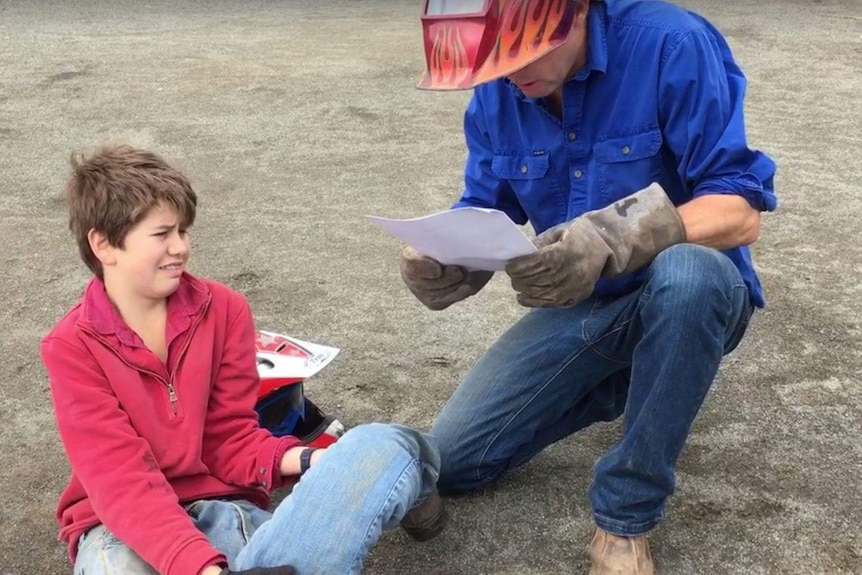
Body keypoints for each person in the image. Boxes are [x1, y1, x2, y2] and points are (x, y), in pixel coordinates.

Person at [400, 1, 777, 573]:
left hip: (692, 293)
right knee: (452, 463)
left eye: (522, 53)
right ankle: (638, 377)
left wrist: (617, 235)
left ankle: (626, 516)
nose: (507, 75)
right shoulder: (499, 88)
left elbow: (740, 210)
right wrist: (448, 260)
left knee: (690, 276)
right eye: (493, 63)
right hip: (588, 307)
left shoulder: (670, 44)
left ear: (576, 11)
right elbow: (484, 208)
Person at [41, 145, 445, 575]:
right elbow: (120, 481)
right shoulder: (71, 346)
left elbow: (229, 440)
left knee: (377, 445)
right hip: (119, 531)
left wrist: (314, 461)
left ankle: (412, 486)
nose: (181, 247)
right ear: (104, 244)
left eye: (183, 231)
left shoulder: (224, 309)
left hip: (224, 509)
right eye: (162, 234)